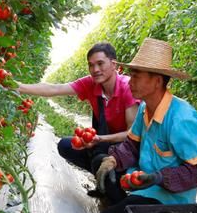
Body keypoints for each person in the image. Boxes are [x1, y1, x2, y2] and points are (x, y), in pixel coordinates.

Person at [92, 38, 197, 213]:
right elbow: (132, 146)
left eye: (136, 76)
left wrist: (159, 178)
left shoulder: (181, 118)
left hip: (169, 198)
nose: (130, 82)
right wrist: (112, 160)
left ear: (157, 81)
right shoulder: (144, 108)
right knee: (100, 161)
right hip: (142, 184)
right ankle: (130, 210)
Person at [17, 42, 139, 199]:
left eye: (100, 63)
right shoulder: (90, 84)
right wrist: (19, 87)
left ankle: (115, 191)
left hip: (129, 147)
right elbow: (54, 89)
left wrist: (100, 139)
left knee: (102, 162)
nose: (95, 70)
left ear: (113, 64)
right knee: (66, 146)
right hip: (105, 142)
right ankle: (103, 178)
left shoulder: (128, 88)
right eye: (91, 65)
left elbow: (133, 134)